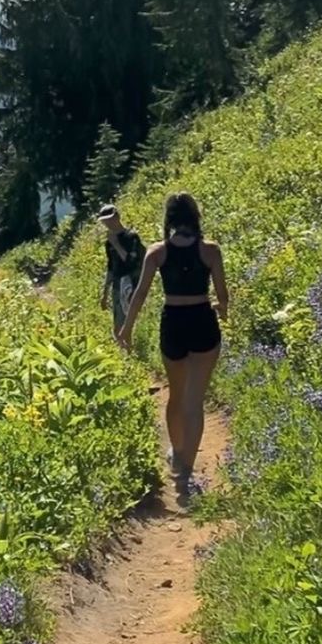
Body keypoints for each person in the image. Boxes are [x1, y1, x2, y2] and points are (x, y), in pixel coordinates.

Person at [117, 192, 228, 488]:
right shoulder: (211, 251)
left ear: (169, 219)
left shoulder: (157, 252)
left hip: (173, 323)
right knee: (195, 400)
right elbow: (223, 295)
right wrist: (222, 309)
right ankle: (187, 469)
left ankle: (177, 453)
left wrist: (127, 328)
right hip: (203, 320)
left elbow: (140, 293)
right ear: (195, 217)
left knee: (176, 395)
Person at [97, 204, 146, 338]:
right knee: (118, 324)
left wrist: (116, 244)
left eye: (110, 219)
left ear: (117, 217)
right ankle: (124, 347)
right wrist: (105, 293)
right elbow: (111, 267)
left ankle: (134, 343)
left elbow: (132, 261)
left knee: (132, 320)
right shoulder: (109, 243)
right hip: (117, 285)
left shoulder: (131, 237)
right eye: (104, 221)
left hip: (133, 283)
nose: (108, 223)